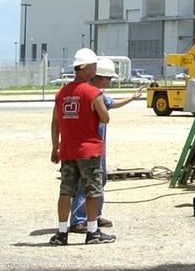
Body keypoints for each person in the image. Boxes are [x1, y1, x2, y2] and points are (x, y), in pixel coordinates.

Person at [68, 57, 146, 232]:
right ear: (100, 77)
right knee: (85, 181)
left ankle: (93, 216)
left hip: (97, 146)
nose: (110, 81)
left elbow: (111, 104)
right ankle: (79, 219)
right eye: (109, 78)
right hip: (87, 146)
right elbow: (105, 117)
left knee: (99, 179)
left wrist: (132, 98)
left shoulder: (99, 95)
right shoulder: (87, 94)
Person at [49, 48, 114, 245]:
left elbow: (55, 122)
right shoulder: (93, 93)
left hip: (67, 150)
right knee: (92, 191)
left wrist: (54, 148)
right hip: (88, 150)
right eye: (94, 66)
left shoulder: (61, 94)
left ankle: (61, 233)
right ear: (86, 68)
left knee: (66, 191)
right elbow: (105, 118)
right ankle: (92, 232)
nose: (96, 69)